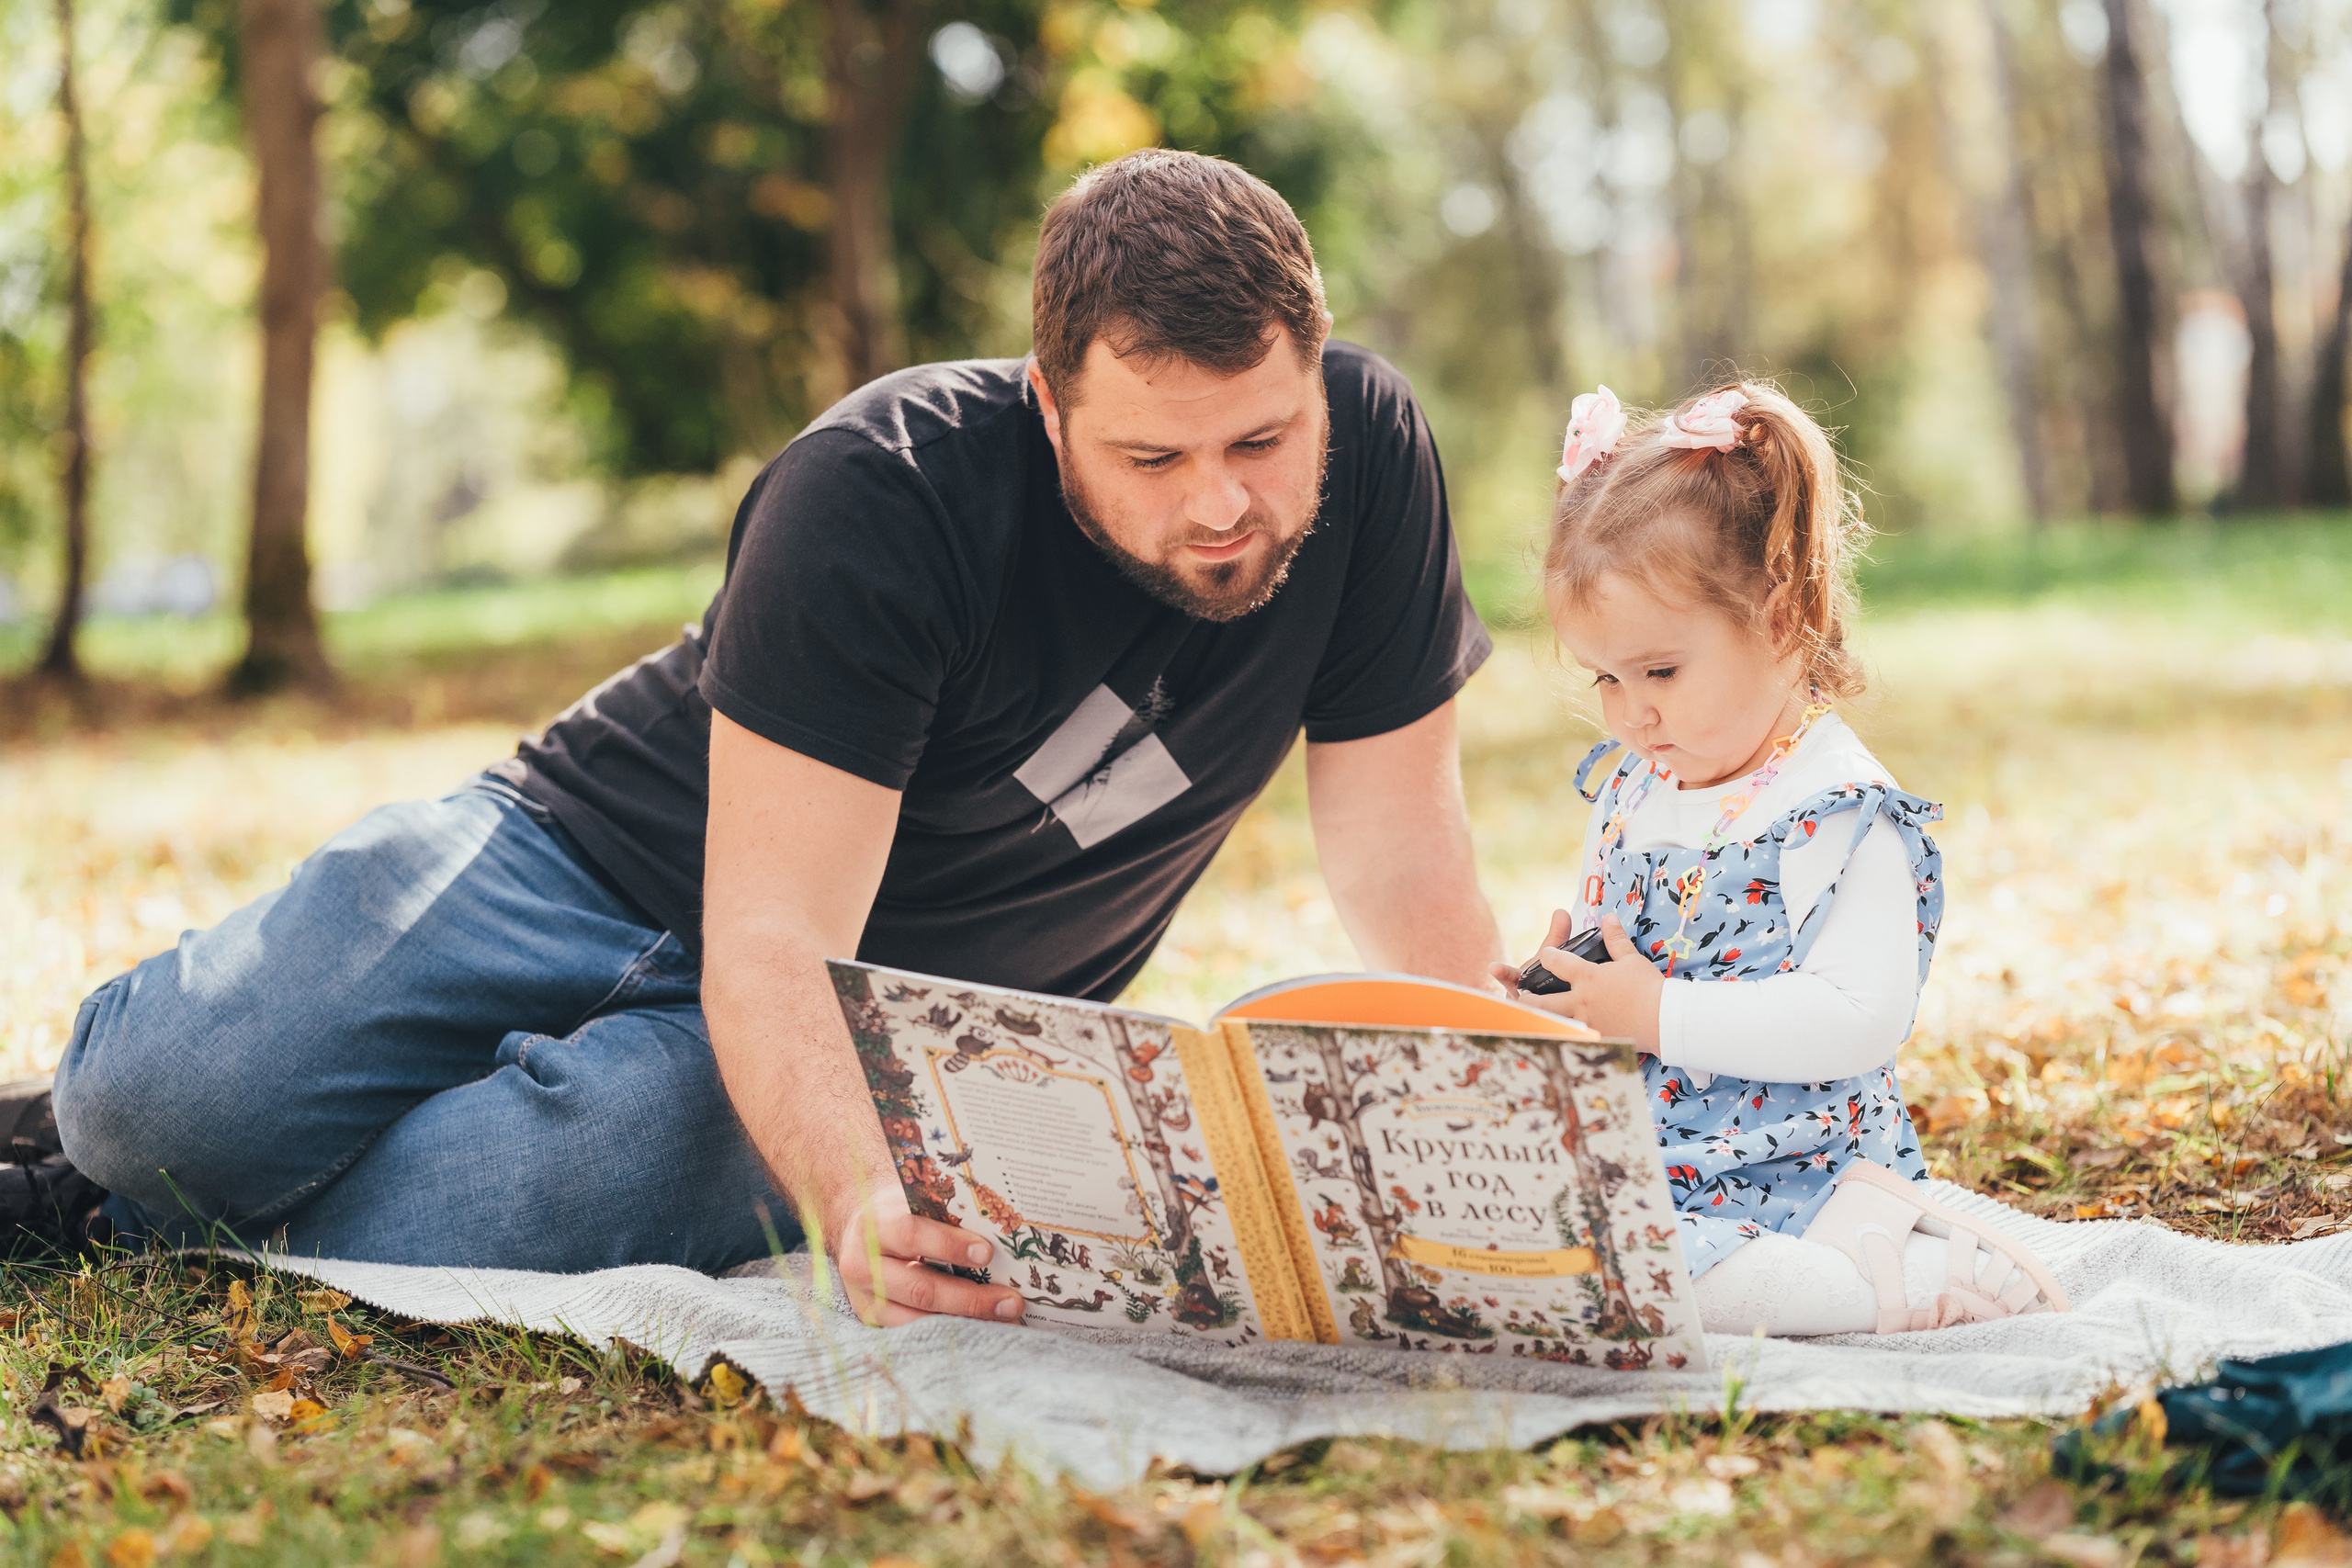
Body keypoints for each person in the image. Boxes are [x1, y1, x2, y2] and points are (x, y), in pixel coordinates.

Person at [22, 151, 1504, 1325]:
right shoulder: (886, 490)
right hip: (587, 853)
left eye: (1260, 439)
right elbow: (773, 929)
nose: (1222, 504)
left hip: (898, 1011)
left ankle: (106, 1216)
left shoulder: (1374, 460)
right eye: (1153, 456)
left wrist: (1508, 1124)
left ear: (1315, 365)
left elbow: (1399, 845)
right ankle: (91, 1142)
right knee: (152, 1097)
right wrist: (850, 1189)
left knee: (514, 1203)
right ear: (1049, 406)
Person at [1491, 381, 2070, 1336]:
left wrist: (1657, 1013)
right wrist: (1571, 992)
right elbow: (1637, 960)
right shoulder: (1638, 786)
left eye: (1660, 672)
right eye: (1605, 677)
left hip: (1788, 1170)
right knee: (1519, 1223)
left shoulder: (1833, 812)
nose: (1630, 711)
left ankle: (1885, 1282)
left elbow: (1858, 1020)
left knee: (1661, 1268)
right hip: (1653, 1147)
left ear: (1780, 618)